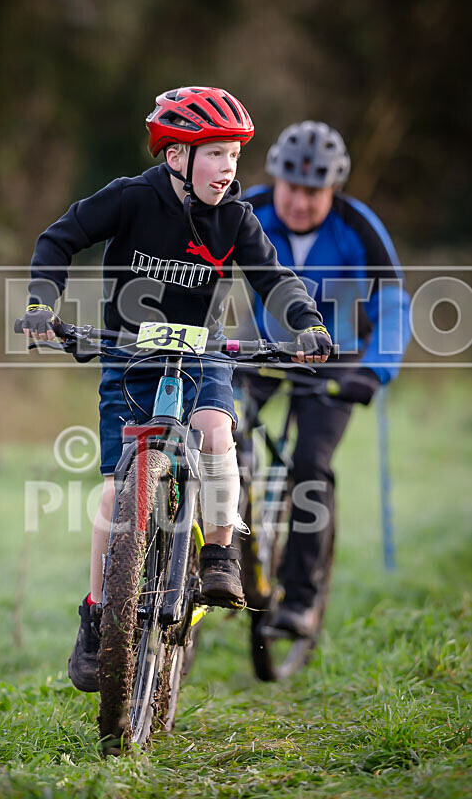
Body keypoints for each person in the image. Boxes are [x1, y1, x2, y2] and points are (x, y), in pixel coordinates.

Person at [21, 90, 333, 692]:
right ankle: (96, 617)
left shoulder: (236, 218)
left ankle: (219, 554)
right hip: (128, 356)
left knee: (218, 433)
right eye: (214, 154)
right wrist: (41, 302)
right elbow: (58, 239)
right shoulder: (131, 197)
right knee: (116, 498)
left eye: (234, 156)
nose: (227, 169)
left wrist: (305, 322)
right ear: (175, 158)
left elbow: (274, 278)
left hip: (201, 357)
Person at [239, 120, 410, 638]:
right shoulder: (248, 210)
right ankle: (223, 551)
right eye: (293, 188)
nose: (301, 202)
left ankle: (301, 598)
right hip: (263, 344)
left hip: (338, 356)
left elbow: (393, 305)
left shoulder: (356, 226)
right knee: (220, 430)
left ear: (333, 189)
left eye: (314, 191)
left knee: (309, 463)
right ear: (277, 180)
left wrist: (375, 371)